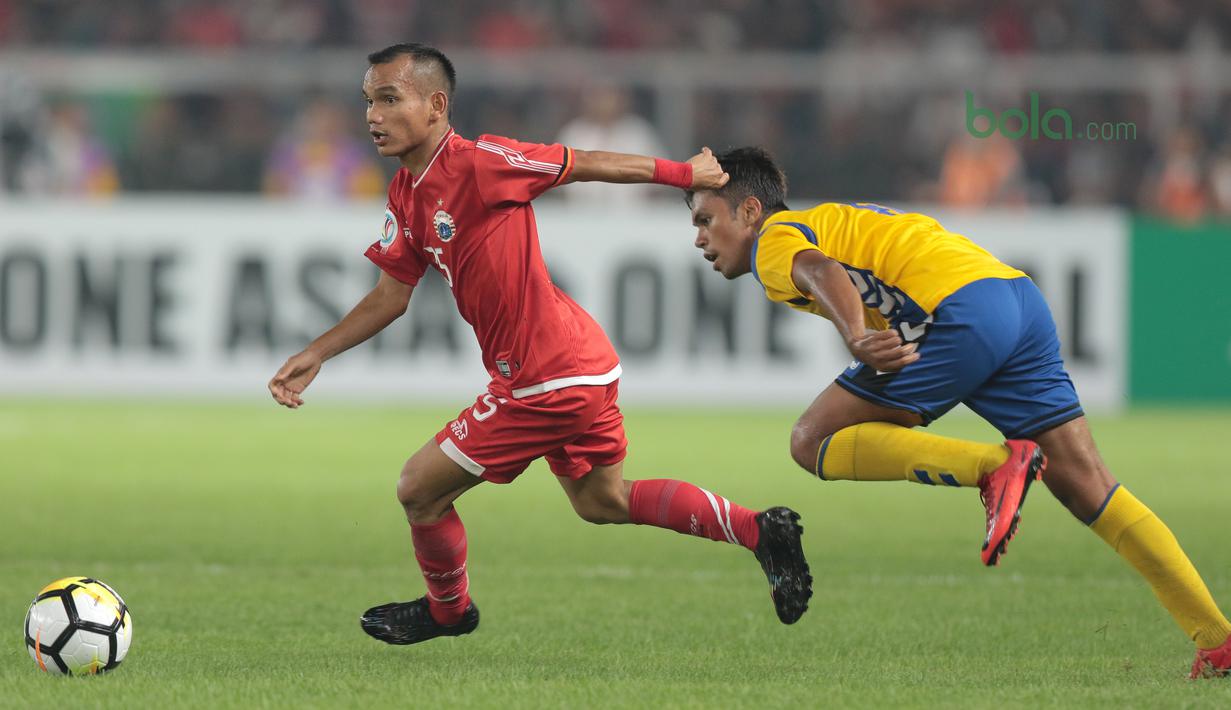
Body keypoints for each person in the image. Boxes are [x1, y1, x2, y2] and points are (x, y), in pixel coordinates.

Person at [267, 45, 812, 645]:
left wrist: (684, 174)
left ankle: (449, 611)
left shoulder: (481, 162)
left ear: (436, 105)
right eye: (369, 101)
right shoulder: (405, 192)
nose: (374, 115)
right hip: (579, 365)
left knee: (418, 490)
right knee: (601, 500)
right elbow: (390, 296)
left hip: (546, 377)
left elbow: (582, 163)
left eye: (390, 99)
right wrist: (317, 352)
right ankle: (759, 530)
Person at [683, 146, 1231, 678]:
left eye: (707, 220)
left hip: (956, 311)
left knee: (810, 440)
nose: (700, 238)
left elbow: (821, 271)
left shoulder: (773, 239)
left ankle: (993, 467)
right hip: (1015, 298)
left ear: (750, 210)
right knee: (1088, 485)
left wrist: (855, 335)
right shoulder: (828, 219)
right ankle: (1217, 640)